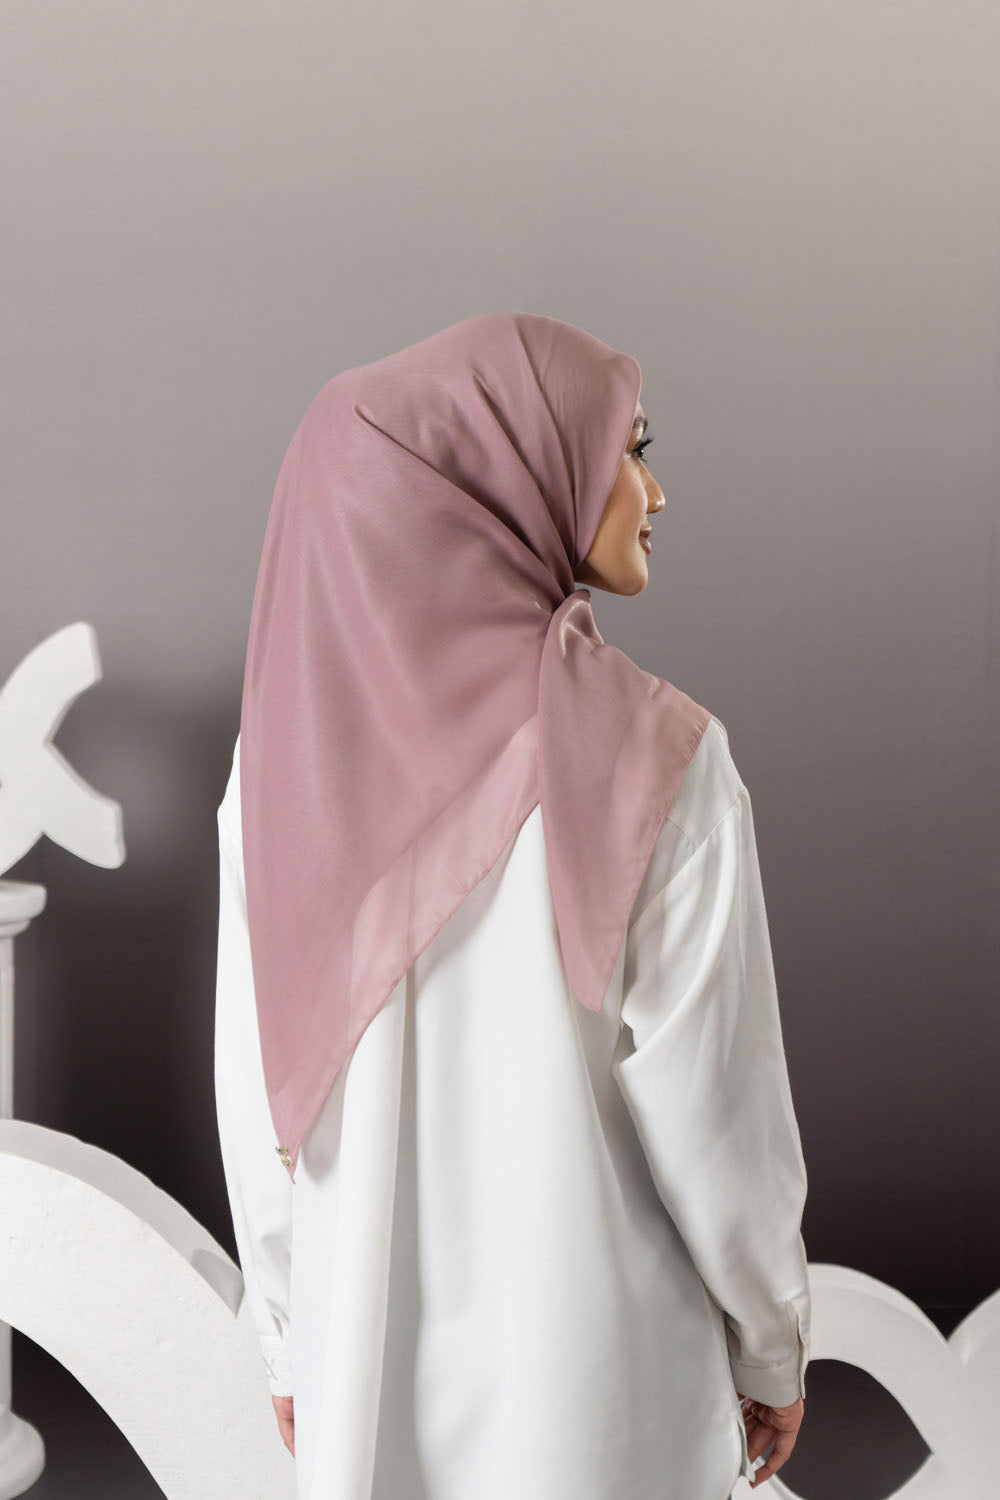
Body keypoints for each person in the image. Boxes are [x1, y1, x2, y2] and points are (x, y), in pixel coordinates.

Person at [214, 312, 811, 1500]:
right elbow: (717, 1116)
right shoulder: (659, 760)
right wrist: (769, 1345)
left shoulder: (279, 773)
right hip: (608, 1403)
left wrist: (291, 1333)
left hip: (366, 1381)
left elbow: (256, 1096)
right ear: (506, 478)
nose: (653, 490)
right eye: (625, 449)